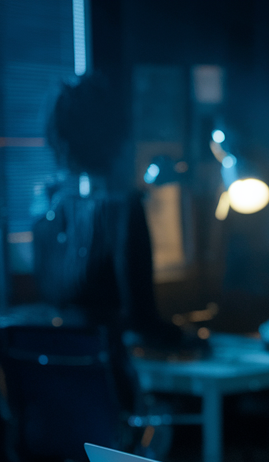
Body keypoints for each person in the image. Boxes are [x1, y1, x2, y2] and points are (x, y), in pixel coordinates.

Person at [32, 74, 181, 352]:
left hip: (67, 373)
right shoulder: (123, 211)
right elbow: (142, 321)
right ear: (116, 134)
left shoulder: (44, 214)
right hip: (112, 375)